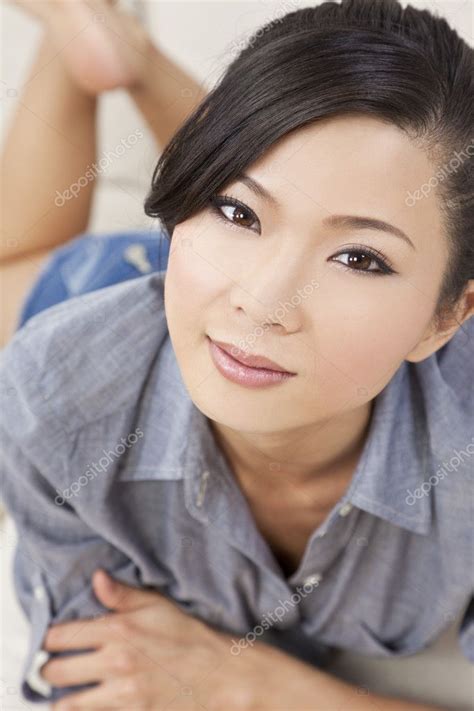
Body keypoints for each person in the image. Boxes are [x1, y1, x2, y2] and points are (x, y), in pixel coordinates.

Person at [0, 0, 473, 709]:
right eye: (234, 212)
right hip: (133, 297)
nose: (265, 302)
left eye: (360, 257)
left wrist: (249, 682)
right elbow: (84, 681)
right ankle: (89, 34)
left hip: (194, 320)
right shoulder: (62, 385)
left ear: (445, 318)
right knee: (20, 264)